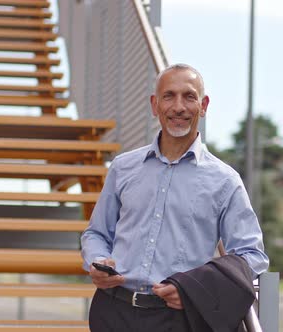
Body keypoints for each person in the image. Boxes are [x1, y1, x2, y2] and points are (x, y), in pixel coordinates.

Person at [81, 63, 269, 331]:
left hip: (179, 320)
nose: (178, 107)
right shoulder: (122, 168)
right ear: (155, 105)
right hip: (113, 312)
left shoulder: (225, 181)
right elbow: (96, 233)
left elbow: (251, 256)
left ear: (203, 106)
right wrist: (97, 261)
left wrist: (195, 289)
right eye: (169, 96)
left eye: (189, 96)